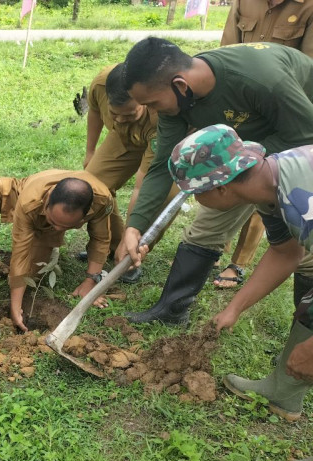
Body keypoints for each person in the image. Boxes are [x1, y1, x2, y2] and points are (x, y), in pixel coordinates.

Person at [118, 38, 313, 326]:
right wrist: (134, 227)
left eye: (153, 103)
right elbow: (161, 167)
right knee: (208, 227)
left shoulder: (262, 79)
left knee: (306, 253)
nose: (152, 111)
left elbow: (306, 134)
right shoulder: (176, 102)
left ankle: (305, 331)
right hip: (244, 161)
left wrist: (234, 164)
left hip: (299, 140)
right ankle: (172, 311)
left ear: (180, 85)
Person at [169, 124, 313, 461]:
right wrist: (234, 308)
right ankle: (282, 391)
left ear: (220, 187)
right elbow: (286, 253)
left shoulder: (304, 203)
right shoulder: (269, 187)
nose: (195, 203)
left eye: (195, 194)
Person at [0, 170, 116, 332]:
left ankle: (50, 246)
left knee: (32, 275)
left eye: (65, 227)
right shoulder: (30, 202)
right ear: (48, 201)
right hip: (22, 193)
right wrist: (15, 307)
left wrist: (91, 280)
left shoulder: (102, 200)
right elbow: (20, 252)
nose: (58, 228)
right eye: (53, 221)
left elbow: (101, 239)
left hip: (44, 229)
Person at [214, 0, 313, 288]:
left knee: (262, 184)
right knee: (228, 178)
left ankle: (238, 262)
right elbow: (226, 50)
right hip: (242, 106)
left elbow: (309, 68)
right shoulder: (244, 1)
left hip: (285, 107)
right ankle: (214, 247)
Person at [83, 63, 167, 284]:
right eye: (114, 114)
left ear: (146, 102)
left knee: (156, 201)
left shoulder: (161, 116)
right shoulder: (102, 84)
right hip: (123, 138)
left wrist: (133, 229)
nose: (119, 119)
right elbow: (94, 110)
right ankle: (111, 246)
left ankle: (130, 257)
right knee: (90, 185)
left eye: (129, 114)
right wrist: (90, 150)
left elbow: (142, 187)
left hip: (161, 144)